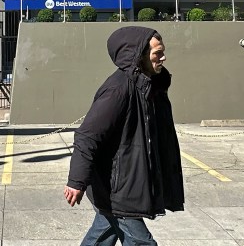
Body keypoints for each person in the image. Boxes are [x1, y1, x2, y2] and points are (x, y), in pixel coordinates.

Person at [64, 27, 184, 246]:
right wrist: (76, 181)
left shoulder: (149, 86)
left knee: (103, 233)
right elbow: (87, 136)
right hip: (118, 187)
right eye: (157, 53)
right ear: (138, 55)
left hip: (127, 183)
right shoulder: (118, 90)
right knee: (142, 242)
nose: (163, 57)